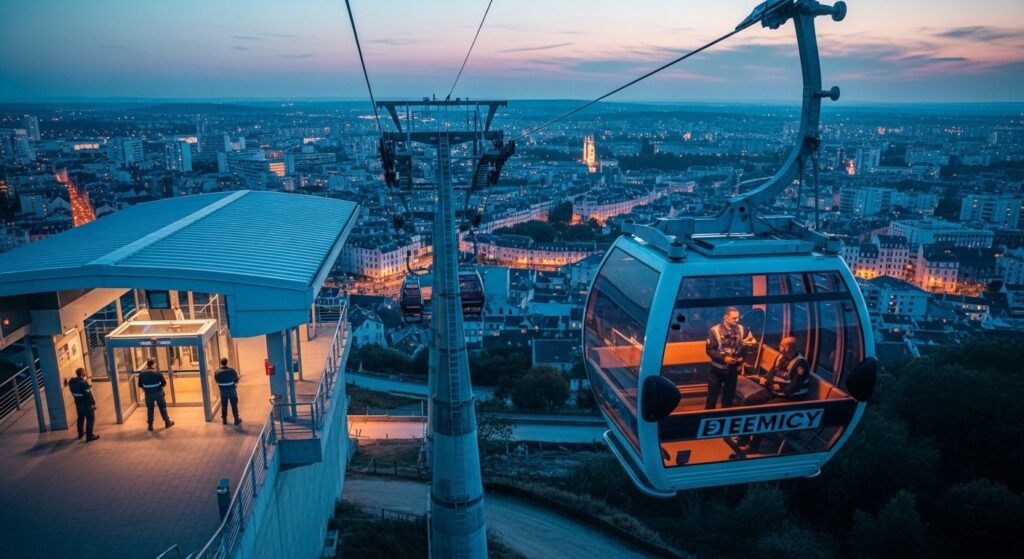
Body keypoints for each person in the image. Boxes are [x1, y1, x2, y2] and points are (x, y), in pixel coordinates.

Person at [736, 336, 811, 454]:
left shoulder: (800, 364)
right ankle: (743, 436)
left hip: (790, 398)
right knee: (749, 401)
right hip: (774, 390)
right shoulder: (781, 356)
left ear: (787, 348)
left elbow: (793, 388)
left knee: (763, 411)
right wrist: (766, 380)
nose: (779, 347)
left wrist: (778, 387)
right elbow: (772, 372)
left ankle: (754, 445)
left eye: (781, 345)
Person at [705, 306, 756, 409]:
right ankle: (708, 418)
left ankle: (725, 418)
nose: (737, 320)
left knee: (729, 397)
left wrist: (742, 357)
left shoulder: (743, 329)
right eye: (734, 318)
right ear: (726, 317)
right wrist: (724, 358)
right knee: (712, 396)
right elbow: (710, 350)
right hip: (717, 370)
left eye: (738, 317)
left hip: (733, 370)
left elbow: (749, 345)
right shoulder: (714, 331)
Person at [138, 359, 174, 431]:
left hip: (148, 394)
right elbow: (164, 383)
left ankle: (150, 426)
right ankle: (167, 422)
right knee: (162, 407)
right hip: (158, 393)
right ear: (153, 364)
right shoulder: (157, 372)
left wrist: (146, 388)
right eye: (155, 364)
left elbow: (140, 384)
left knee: (150, 409)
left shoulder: (142, 373)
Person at [66, 368, 99, 442]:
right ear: (81, 373)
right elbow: (88, 395)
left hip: (78, 404)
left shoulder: (72, 382)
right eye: (84, 371)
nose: (85, 372)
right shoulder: (83, 383)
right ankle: (89, 436)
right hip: (86, 404)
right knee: (90, 418)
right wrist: (93, 403)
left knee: (80, 418)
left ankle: (80, 433)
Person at [214, 357, 242, 425]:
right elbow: (236, 380)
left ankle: (224, 420)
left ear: (221, 363)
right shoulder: (231, 371)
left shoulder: (217, 372)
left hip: (223, 391)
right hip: (232, 390)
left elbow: (216, 381)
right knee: (234, 404)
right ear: (227, 362)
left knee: (224, 405)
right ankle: (236, 419)